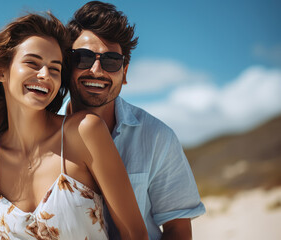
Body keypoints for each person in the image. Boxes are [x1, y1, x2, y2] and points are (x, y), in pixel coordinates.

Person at [0, 12, 148, 240]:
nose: (45, 74)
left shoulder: (84, 132)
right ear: (1, 72)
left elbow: (134, 234)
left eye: (55, 68)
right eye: (33, 63)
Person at [64, 1, 206, 240]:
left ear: (125, 72)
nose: (97, 71)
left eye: (110, 61)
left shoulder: (158, 137)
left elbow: (178, 230)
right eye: (84, 58)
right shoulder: (46, 132)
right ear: (67, 65)